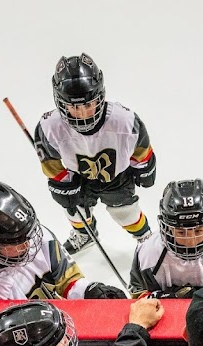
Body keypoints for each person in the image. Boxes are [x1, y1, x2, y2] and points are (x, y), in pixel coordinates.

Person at [34, 52, 156, 254]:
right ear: (60, 102)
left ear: (100, 96)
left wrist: (144, 167)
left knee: (125, 211)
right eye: (74, 107)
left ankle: (144, 238)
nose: (82, 114)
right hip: (79, 178)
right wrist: (61, 183)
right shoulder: (49, 127)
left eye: (88, 105)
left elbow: (140, 146)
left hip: (116, 176)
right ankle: (85, 234)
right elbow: (50, 160)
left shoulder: (123, 120)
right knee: (76, 211)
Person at [0, 178, 126, 300]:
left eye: (28, 234)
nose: (27, 243)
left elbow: (68, 282)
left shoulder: (39, 237)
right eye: (15, 242)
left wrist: (90, 291)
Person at [129, 179, 203, 299]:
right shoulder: (148, 253)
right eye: (181, 232)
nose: (191, 242)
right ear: (168, 228)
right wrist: (161, 299)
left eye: (198, 231)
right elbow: (138, 294)